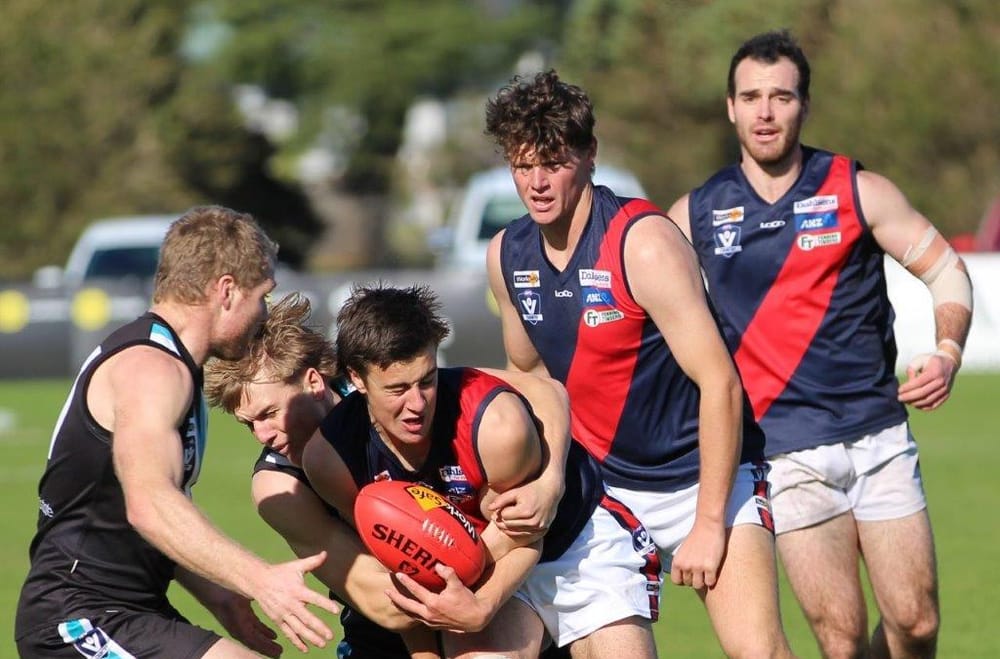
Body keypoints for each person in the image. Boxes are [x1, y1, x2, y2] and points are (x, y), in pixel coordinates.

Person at [667, 30, 973, 659]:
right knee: (839, 641)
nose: (766, 111)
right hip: (784, 457)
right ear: (730, 106)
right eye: (751, 96)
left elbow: (946, 270)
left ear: (805, 105)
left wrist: (948, 350)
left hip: (878, 437)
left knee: (914, 622)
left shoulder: (859, 189)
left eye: (782, 96)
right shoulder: (694, 215)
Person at [485, 70, 794, 657]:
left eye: (553, 162)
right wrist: (534, 482)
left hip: (703, 476)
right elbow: (528, 383)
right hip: (600, 491)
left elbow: (721, 384)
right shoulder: (507, 255)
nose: (538, 182)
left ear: (590, 155)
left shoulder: (643, 242)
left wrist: (707, 523)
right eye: (523, 166)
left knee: (759, 650)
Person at [15, 206, 341, 659]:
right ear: (226, 291)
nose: (263, 312)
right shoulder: (153, 369)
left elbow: (167, 504)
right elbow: (149, 504)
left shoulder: (175, 365)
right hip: (78, 616)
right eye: (261, 295)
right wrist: (260, 579)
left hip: (131, 610)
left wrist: (221, 596)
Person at [301, 283, 660, 658]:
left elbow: (527, 532)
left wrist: (483, 604)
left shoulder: (497, 426)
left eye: (427, 381)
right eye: (397, 389)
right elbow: (396, 561)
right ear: (357, 379)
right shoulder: (332, 459)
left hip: (573, 543)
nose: (417, 404)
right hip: (485, 563)